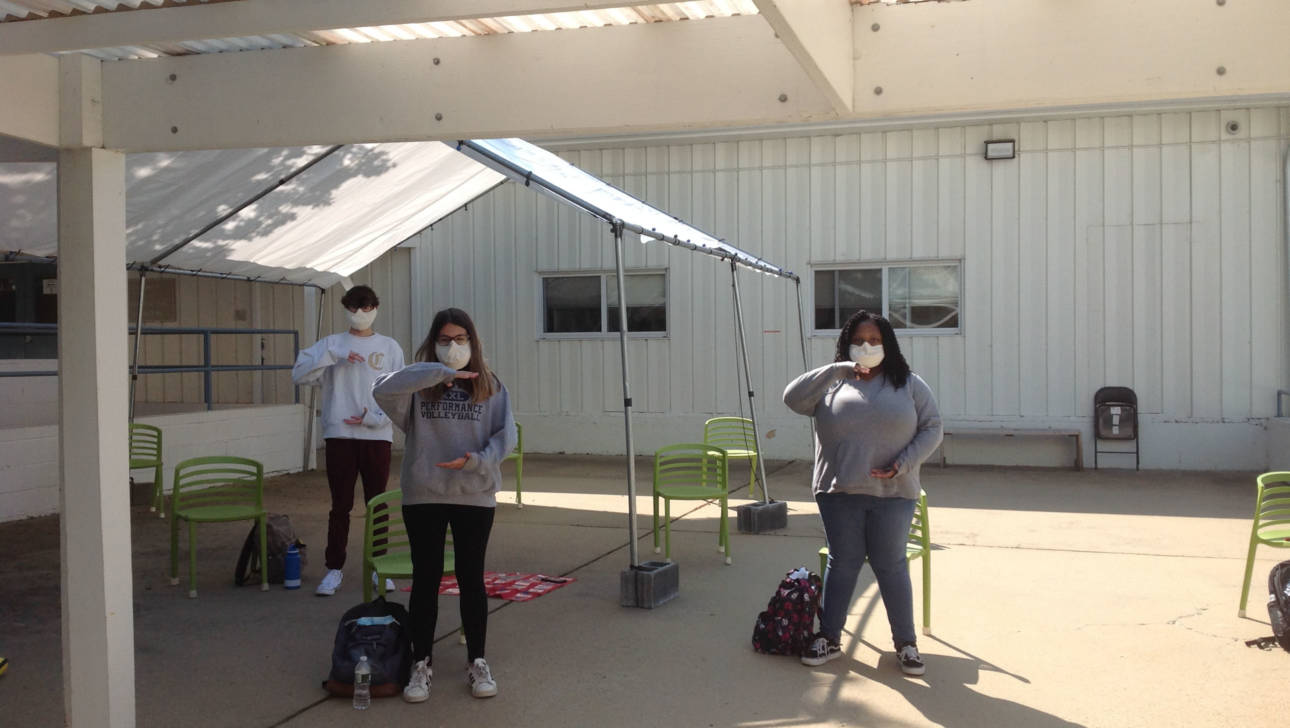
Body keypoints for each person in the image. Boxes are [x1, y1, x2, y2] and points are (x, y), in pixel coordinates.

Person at [782, 309, 942, 675]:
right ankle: (829, 637)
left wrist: (902, 463)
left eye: (874, 340)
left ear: (887, 343)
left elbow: (932, 427)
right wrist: (838, 369)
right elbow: (791, 398)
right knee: (844, 563)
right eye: (858, 340)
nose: (866, 346)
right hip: (839, 492)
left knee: (891, 565)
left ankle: (906, 644)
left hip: (894, 490)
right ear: (846, 345)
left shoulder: (910, 384)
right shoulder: (832, 384)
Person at [373, 307, 516, 702]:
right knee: (426, 578)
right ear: (432, 343)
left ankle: (478, 660)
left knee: (471, 578)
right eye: (444, 340)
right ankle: (421, 664)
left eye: (460, 339)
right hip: (425, 494)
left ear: (473, 341)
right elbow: (381, 389)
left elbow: (507, 436)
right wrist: (435, 372)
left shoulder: (491, 385)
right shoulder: (418, 387)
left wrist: (476, 462)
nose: (453, 346)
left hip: (474, 493)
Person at [291, 285, 405, 597]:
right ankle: (334, 568)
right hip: (340, 434)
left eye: (366, 307)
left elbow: (399, 392)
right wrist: (334, 356)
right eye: (354, 308)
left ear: (376, 308)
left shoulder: (390, 347)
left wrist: (375, 418)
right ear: (345, 309)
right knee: (340, 505)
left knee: (377, 503)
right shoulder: (332, 344)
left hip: (376, 435)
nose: (360, 313)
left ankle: (379, 566)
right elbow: (298, 375)